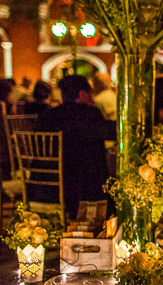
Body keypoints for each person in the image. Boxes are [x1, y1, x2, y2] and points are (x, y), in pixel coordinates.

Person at [36, 75, 115, 219]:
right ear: (82, 94)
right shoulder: (89, 114)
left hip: (44, 187)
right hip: (81, 191)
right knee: (95, 161)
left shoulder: (47, 116)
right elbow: (111, 132)